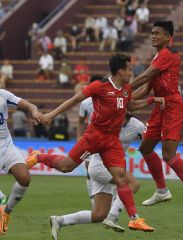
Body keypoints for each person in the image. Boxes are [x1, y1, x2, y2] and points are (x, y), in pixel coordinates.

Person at [25, 54, 164, 237]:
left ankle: (134, 218)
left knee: (122, 178)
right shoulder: (100, 87)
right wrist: (51, 115)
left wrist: (152, 100)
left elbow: (131, 106)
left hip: (112, 142)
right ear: (120, 71)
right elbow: (74, 100)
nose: (132, 73)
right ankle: (38, 156)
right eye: (130, 70)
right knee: (65, 166)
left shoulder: (126, 89)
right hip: (94, 137)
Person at [130, 20, 183, 220]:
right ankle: (162, 191)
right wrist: (127, 97)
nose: (153, 36)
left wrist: (121, 88)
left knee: (168, 154)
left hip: (172, 105)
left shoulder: (168, 54)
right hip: (160, 107)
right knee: (145, 148)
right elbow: (147, 87)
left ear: (168, 36)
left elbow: (145, 76)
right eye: (152, 33)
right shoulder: (158, 56)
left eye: (157, 33)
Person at [49, 114, 145, 236]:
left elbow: (147, 144)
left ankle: (59, 220)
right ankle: (113, 217)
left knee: (99, 214)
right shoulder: (107, 120)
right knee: (133, 184)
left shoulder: (138, 126)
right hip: (99, 165)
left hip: (111, 167)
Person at [0, 89, 44, 235]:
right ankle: (1, 201)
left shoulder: (2, 94)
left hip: (6, 145)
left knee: (24, 178)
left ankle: (6, 211)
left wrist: (35, 111)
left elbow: (27, 105)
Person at [77, 75, 103, 205]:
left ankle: (111, 200)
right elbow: (81, 121)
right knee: (89, 171)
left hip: (105, 141)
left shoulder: (106, 99)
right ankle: (93, 201)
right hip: (90, 141)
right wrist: (79, 137)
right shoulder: (85, 103)